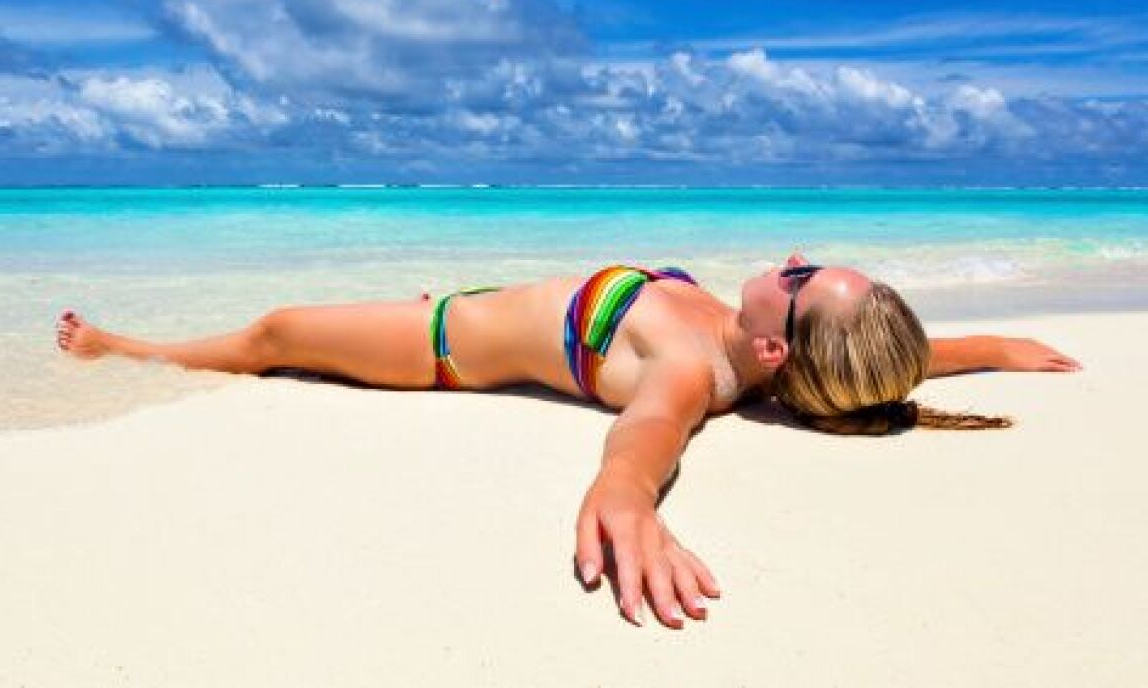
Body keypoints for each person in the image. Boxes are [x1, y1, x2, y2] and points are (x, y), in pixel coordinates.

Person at [55, 253, 1080, 628]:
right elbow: (864, 363)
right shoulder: (770, 349)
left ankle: (129, 349)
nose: (797, 258)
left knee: (278, 333)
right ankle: (137, 346)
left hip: (439, 344)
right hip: (463, 302)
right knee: (292, 326)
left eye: (805, 280)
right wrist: (990, 347)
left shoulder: (690, 371)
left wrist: (626, 500)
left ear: (775, 345)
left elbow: (645, 438)